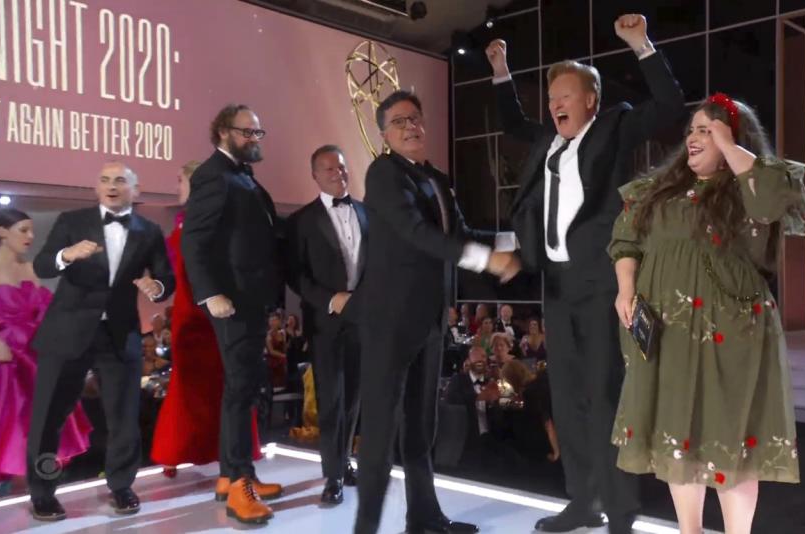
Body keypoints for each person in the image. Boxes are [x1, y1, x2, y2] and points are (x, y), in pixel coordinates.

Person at [486, 13, 685, 533]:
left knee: (605, 397)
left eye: (566, 95)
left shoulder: (613, 127)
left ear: (590, 101)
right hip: (555, 285)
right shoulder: (546, 144)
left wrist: (641, 44)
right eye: (551, 97)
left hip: (601, 283)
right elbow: (511, 124)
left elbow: (668, 107)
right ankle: (582, 502)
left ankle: (621, 511)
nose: (555, 104)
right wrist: (503, 71)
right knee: (568, 400)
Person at [609, 94, 805, 534]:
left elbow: (775, 200)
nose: (696, 137)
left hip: (732, 328)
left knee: (731, 434)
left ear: (735, 137)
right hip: (667, 327)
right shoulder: (656, 190)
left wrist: (731, 147)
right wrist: (625, 288)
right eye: (693, 129)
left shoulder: (751, 185)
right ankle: (689, 530)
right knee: (679, 431)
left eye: (709, 129)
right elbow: (626, 240)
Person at [352, 89, 520, 534]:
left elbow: (461, 232)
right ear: (384, 133)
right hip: (389, 322)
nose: (412, 127)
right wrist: (485, 260)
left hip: (429, 321)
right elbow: (416, 233)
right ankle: (364, 528)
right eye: (400, 121)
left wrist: (515, 242)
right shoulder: (383, 174)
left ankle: (423, 517)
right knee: (382, 433)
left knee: (421, 428)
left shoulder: (437, 178)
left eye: (416, 119)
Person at [26, 162, 175, 521]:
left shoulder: (149, 231)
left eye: (120, 180)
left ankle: (121, 486)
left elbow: (165, 277)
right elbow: (43, 264)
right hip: (67, 332)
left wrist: (157, 289)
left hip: (119, 334)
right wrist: (66, 255)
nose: (111, 186)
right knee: (48, 418)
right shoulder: (71, 221)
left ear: (135, 190)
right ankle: (43, 493)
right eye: (105, 180)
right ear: (97, 188)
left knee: (124, 417)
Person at [181, 104, 283, 525]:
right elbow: (195, 240)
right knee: (241, 390)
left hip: (249, 300)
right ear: (223, 131)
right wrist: (210, 293)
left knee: (242, 388)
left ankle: (233, 475)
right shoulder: (213, 175)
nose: (255, 140)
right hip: (232, 301)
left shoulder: (241, 175)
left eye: (259, 133)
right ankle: (240, 487)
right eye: (248, 133)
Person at [151, 160, 264, 486]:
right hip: (190, 321)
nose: (178, 187)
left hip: (221, 314)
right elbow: (168, 277)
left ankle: (233, 462)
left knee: (230, 388)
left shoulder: (219, 223)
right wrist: (156, 288)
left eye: (182, 181)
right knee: (188, 390)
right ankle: (177, 452)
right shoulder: (179, 227)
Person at [0, 210, 92, 497]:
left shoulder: (32, 269)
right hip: (2, 357)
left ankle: (38, 487)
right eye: (23, 230)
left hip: (35, 353)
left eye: (32, 231)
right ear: (1, 232)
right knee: (3, 415)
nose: (31, 237)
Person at [286, 144, 366, 505]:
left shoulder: (368, 214)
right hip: (325, 322)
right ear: (315, 175)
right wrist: (330, 299)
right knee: (331, 400)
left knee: (353, 400)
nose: (338, 173)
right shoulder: (301, 220)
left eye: (342, 167)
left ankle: (345, 461)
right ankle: (332, 475)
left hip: (364, 320)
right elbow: (294, 275)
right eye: (329, 169)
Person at [265, 311, 288, 388]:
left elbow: (284, 347)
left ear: (279, 322)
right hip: (273, 360)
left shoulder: (282, 333)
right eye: (271, 321)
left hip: (282, 357)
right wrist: (283, 356)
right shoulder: (268, 335)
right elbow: (271, 351)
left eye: (275, 320)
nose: (273, 322)